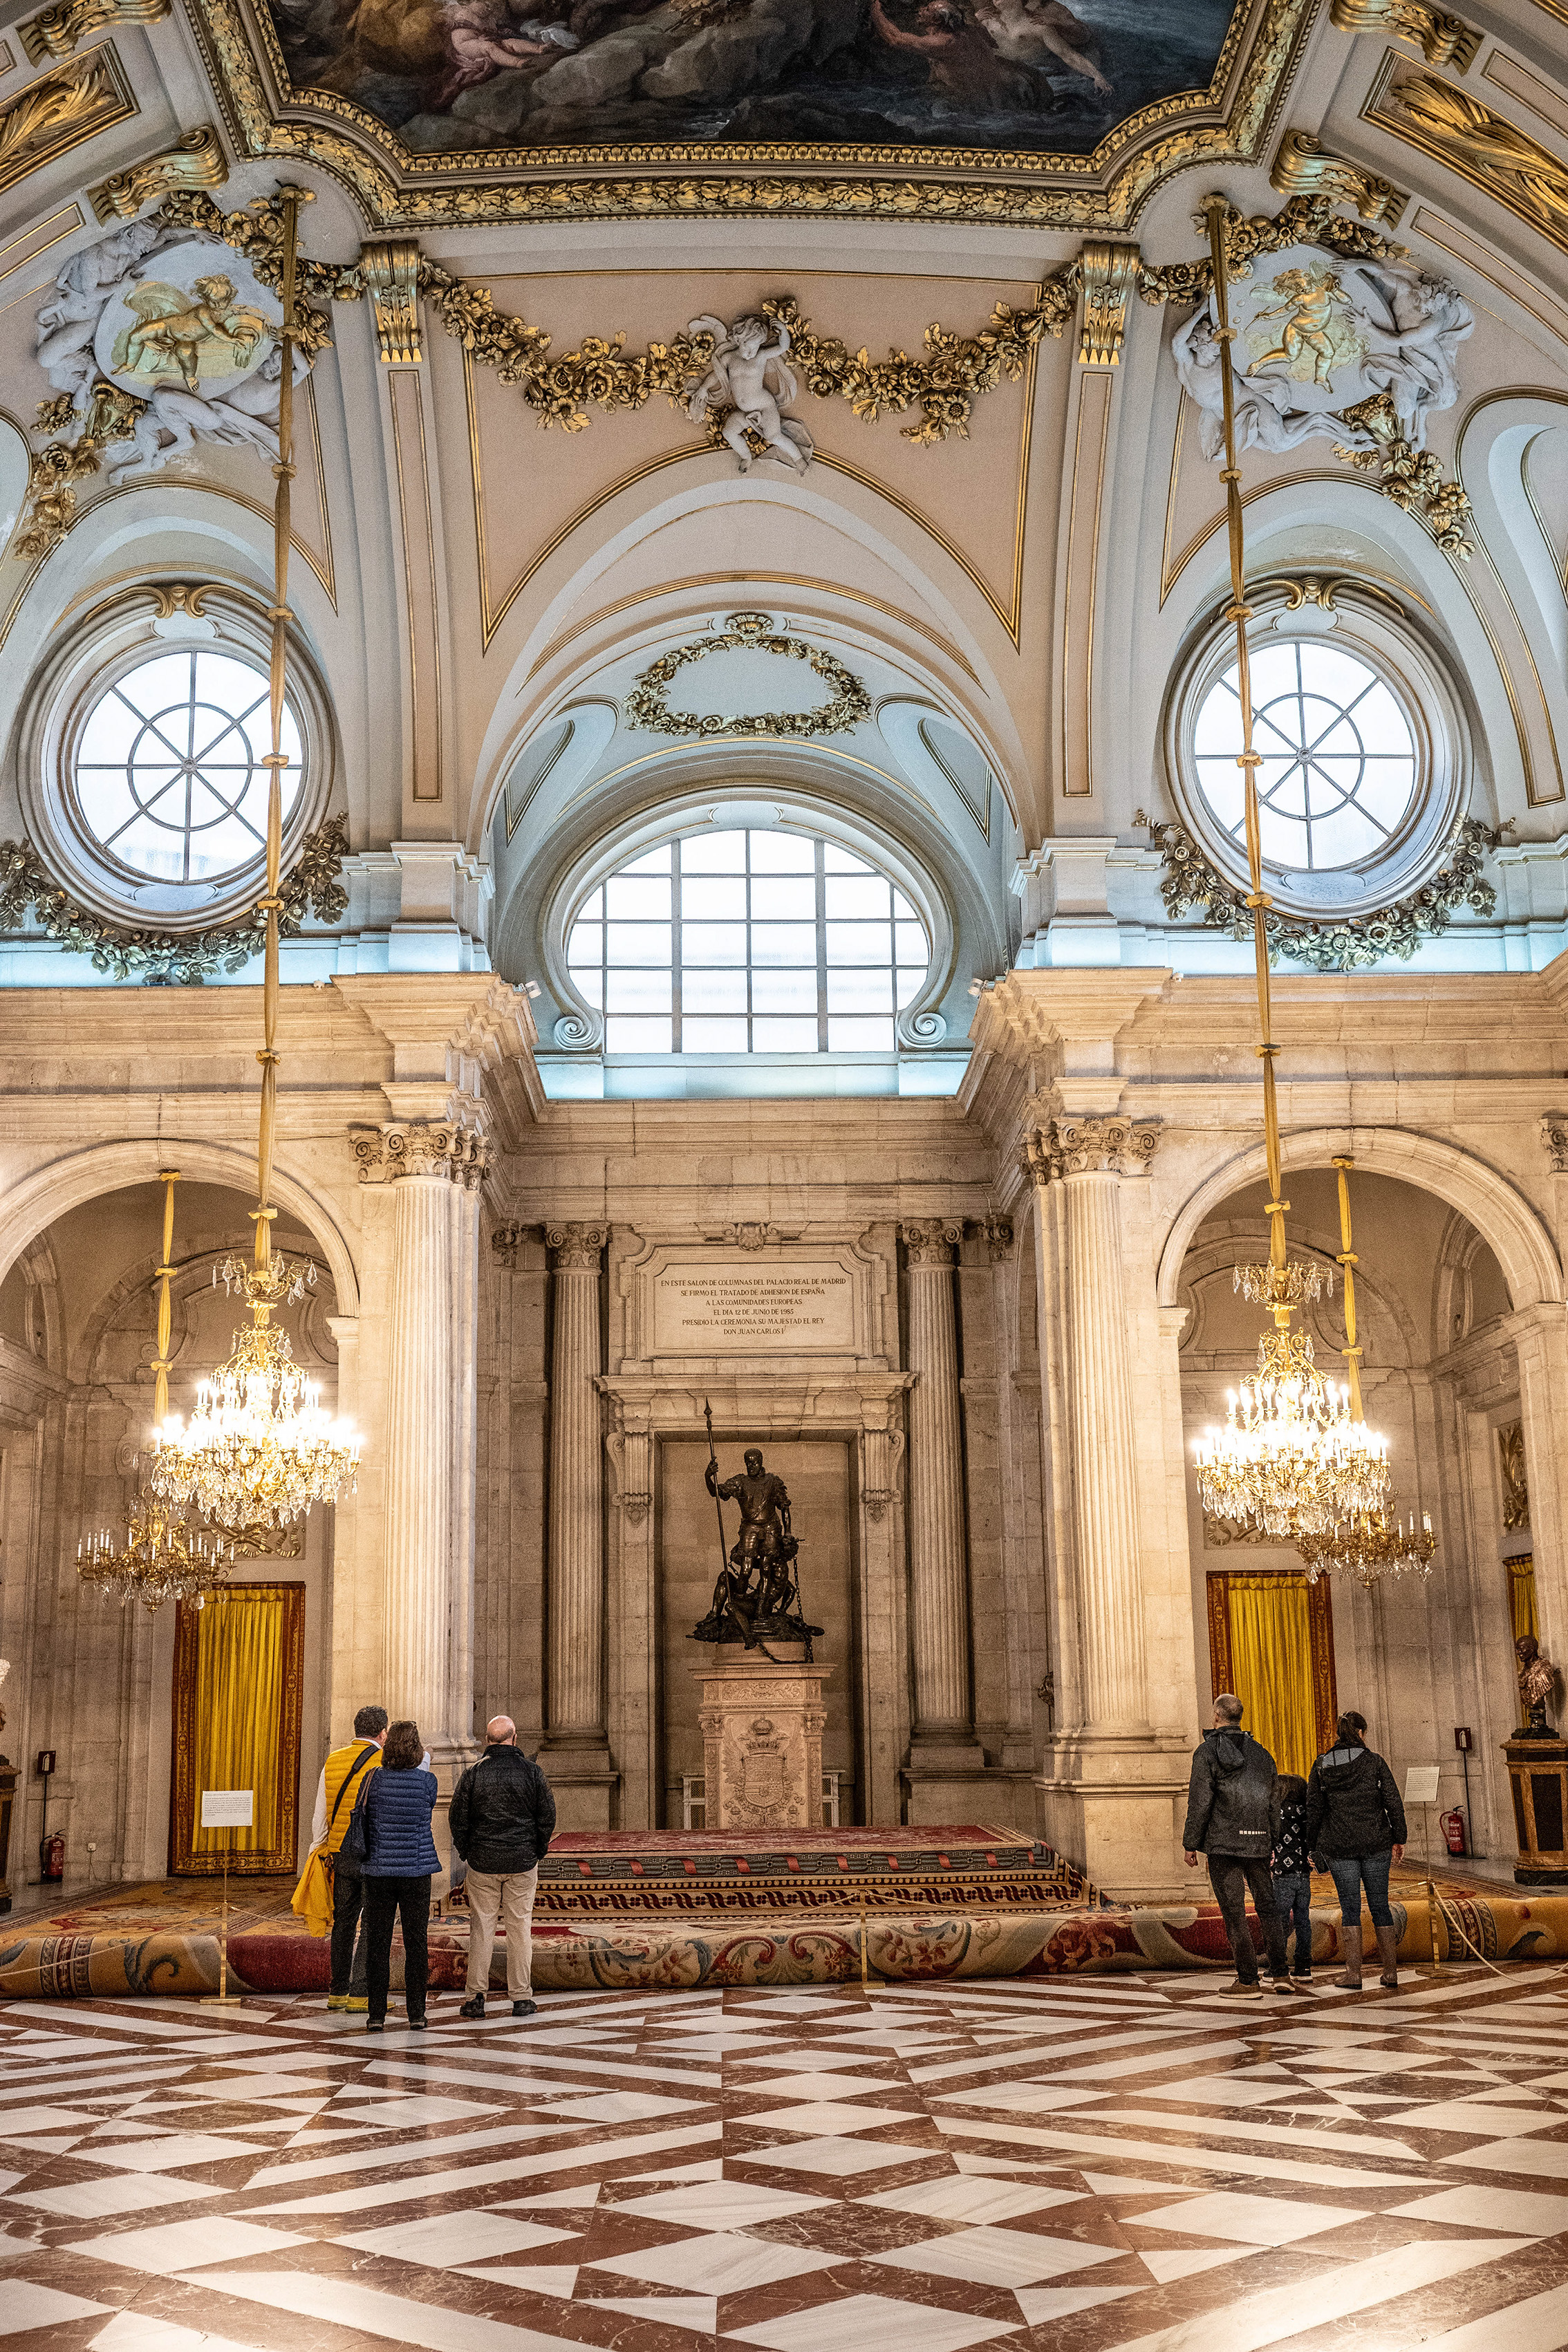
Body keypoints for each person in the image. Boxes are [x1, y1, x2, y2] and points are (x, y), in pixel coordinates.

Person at [1182, 1692, 1291, 1999]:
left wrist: (1191, 1843)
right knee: (1268, 1908)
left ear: (1217, 1716)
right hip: (1259, 1841)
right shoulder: (1262, 1753)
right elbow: (1274, 1802)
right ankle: (1281, 1974)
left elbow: (1200, 1801)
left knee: (1234, 1913)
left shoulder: (1206, 1752)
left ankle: (1247, 1981)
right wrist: (1272, 1838)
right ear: (1239, 1717)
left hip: (1224, 1844)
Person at [449, 1715, 557, 2021]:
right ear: (515, 1737)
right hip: (522, 1861)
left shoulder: (473, 1774)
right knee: (519, 1928)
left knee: (481, 1928)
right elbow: (547, 1816)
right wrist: (537, 1850)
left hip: (483, 1862)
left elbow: (457, 1818)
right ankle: (521, 1998)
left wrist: (467, 1852)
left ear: (487, 1740)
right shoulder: (532, 1772)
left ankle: (475, 1998)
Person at [1305, 1709, 1407, 1991]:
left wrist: (1312, 1847)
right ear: (1361, 1733)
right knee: (1380, 1906)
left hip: (1340, 1847)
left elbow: (1314, 1809)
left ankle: (1353, 1975)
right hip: (1376, 1842)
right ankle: (1390, 1973)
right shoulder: (1374, 1762)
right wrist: (1399, 1837)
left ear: (1339, 1734)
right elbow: (1393, 1801)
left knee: (1350, 1908)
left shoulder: (1322, 1764)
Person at [357, 1717, 440, 2032]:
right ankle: (417, 2014)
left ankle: (376, 2015)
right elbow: (426, 1810)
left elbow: (363, 1816)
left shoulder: (372, 1779)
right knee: (416, 1943)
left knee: (378, 1943)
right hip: (416, 1871)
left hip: (379, 1870)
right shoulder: (428, 1782)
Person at [308, 1704, 386, 2013]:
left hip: (341, 1852)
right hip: (372, 1852)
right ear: (383, 1733)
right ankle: (360, 1993)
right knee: (371, 1924)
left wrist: (321, 1849)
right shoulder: (384, 1761)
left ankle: (337, 1991)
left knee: (343, 1922)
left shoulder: (333, 1760)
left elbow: (320, 1815)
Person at [1272, 1771, 1314, 1990]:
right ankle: (1304, 1967)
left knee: (1279, 1922)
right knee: (1303, 1920)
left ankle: (1278, 1967)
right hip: (1304, 1873)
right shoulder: (1307, 1811)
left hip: (1283, 1874)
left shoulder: (1277, 1812)